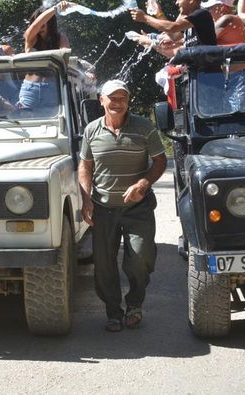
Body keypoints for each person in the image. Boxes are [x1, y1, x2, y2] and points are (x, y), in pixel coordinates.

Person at [78, 79, 167, 332]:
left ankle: (135, 304)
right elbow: (85, 165)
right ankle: (114, 312)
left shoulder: (143, 127)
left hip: (137, 209)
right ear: (102, 101)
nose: (117, 103)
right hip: (103, 209)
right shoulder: (91, 130)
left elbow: (160, 161)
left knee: (140, 258)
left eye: (122, 98)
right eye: (112, 98)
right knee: (104, 265)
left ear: (128, 101)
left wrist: (143, 183)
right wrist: (86, 199)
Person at [129, 0, 217, 48]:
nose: (176, 3)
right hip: (196, 71)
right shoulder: (189, 21)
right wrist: (158, 13)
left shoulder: (202, 14)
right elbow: (174, 36)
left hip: (208, 72)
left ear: (191, 0)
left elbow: (172, 27)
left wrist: (145, 18)